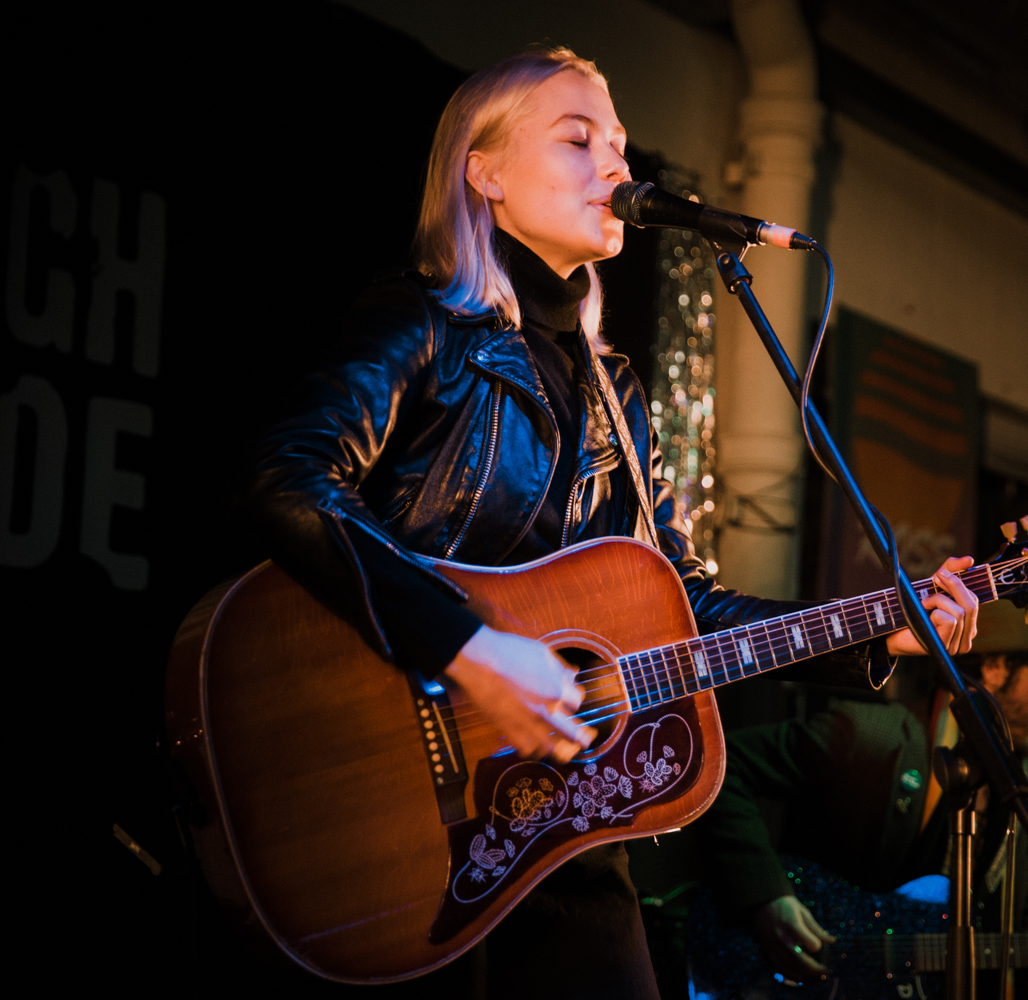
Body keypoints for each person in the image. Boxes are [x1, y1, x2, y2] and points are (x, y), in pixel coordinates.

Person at [247, 47, 980, 999]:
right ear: (486, 171)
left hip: (568, 828)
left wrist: (874, 626)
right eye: (578, 138)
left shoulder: (615, 391)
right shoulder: (419, 323)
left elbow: (684, 608)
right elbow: (285, 484)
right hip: (403, 816)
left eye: (622, 144)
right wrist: (468, 648)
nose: (617, 165)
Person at [691, 600, 1028, 996]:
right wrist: (767, 897)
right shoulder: (870, 736)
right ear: (997, 666)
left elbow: (1022, 948)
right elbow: (718, 765)